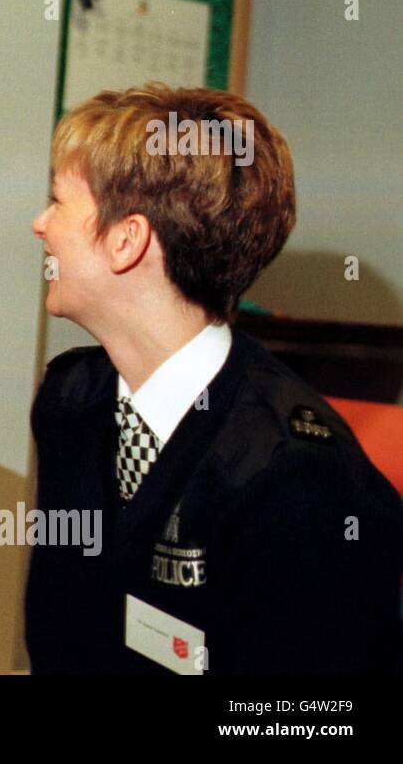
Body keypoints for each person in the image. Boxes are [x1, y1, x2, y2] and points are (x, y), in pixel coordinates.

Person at [25, 83, 402, 675]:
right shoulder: (71, 400)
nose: (40, 224)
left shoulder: (299, 476)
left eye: (58, 201)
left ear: (128, 241)